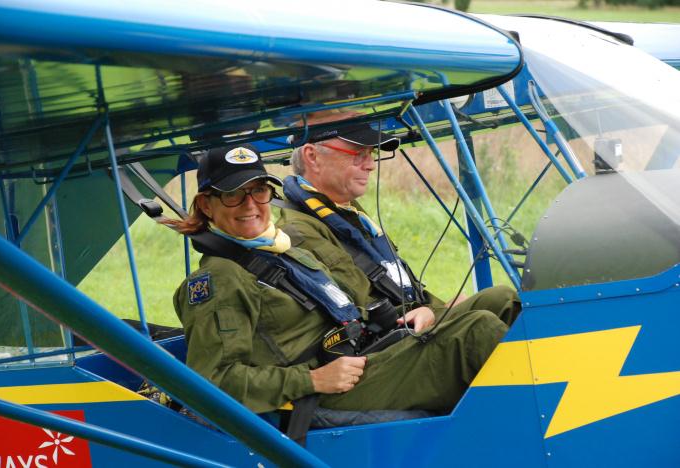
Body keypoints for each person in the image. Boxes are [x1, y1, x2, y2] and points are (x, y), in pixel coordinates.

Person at [168, 144, 510, 432]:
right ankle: (537, 435)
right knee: (476, 332)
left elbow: (351, 306)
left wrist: (420, 312)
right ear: (206, 205)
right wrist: (312, 380)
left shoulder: (281, 249)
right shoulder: (220, 279)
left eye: (258, 190)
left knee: (501, 301)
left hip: (366, 352)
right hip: (324, 390)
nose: (250, 205)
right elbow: (214, 382)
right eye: (232, 195)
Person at [279, 117, 520, 334]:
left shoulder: (346, 211)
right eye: (358, 153)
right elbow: (366, 307)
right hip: (386, 341)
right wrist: (435, 314)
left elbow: (394, 284)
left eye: (371, 153)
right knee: (486, 325)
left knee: (503, 299)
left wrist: (437, 307)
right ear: (312, 156)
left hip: (410, 322)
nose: (370, 164)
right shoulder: (300, 229)